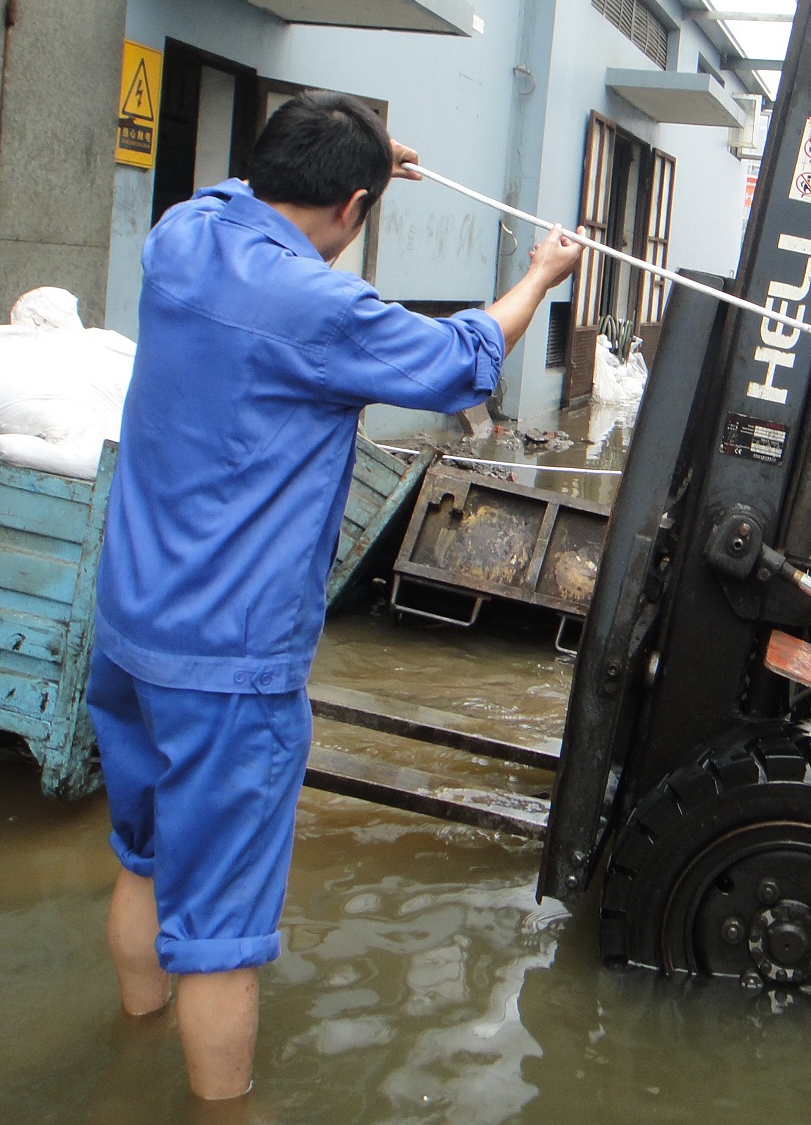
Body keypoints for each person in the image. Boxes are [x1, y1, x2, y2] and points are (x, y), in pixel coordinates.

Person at [84, 92, 583, 1100]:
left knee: (141, 858)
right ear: (353, 206)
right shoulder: (315, 307)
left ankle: (130, 1046)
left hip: (132, 626)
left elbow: (246, 191)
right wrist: (541, 273)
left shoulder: (182, 236)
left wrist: (352, 160)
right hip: (233, 663)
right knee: (221, 931)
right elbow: (462, 360)